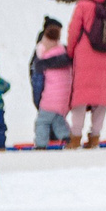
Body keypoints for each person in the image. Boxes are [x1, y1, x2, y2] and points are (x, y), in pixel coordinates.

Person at [64, 0, 106, 148]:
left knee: (81, 98)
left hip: (85, 55)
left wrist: (71, 52)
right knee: (101, 98)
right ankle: (95, 137)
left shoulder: (83, 5)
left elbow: (73, 31)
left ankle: (75, 138)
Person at [30, 17, 74, 147]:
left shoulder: (43, 57)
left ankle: (40, 144)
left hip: (49, 99)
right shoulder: (64, 55)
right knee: (57, 119)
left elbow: (37, 83)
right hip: (64, 99)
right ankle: (67, 138)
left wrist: (38, 101)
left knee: (42, 122)